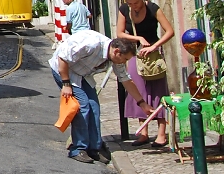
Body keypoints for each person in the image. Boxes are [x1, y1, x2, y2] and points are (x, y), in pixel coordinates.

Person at [50, 31, 154, 163]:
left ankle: (95, 148)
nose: (125, 62)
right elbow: (63, 58)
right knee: (83, 106)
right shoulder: (91, 44)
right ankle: (78, 148)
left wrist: (142, 103)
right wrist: (66, 84)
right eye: (125, 59)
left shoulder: (115, 58)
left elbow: (126, 80)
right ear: (117, 51)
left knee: (94, 107)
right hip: (63, 69)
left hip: (82, 74)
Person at [115, 0, 175, 147]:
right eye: (130, 3)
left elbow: (170, 31)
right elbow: (119, 33)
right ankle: (144, 132)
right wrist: (138, 39)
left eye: (136, 2)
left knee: (157, 91)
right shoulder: (124, 10)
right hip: (135, 53)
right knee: (139, 90)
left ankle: (162, 133)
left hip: (153, 55)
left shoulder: (153, 8)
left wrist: (155, 45)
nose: (134, 6)